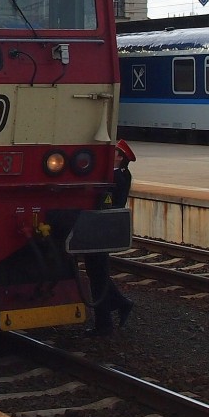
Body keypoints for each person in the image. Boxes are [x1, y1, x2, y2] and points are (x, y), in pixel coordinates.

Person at [83, 140, 136, 336]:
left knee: (97, 274)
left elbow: (103, 201)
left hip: (101, 231)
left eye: (114, 151)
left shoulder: (115, 177)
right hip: (102, 230)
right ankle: (117, 309)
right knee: (97, 273)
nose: (110, 153)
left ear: (120, 158)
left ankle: (106, 322)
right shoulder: (120, 174)